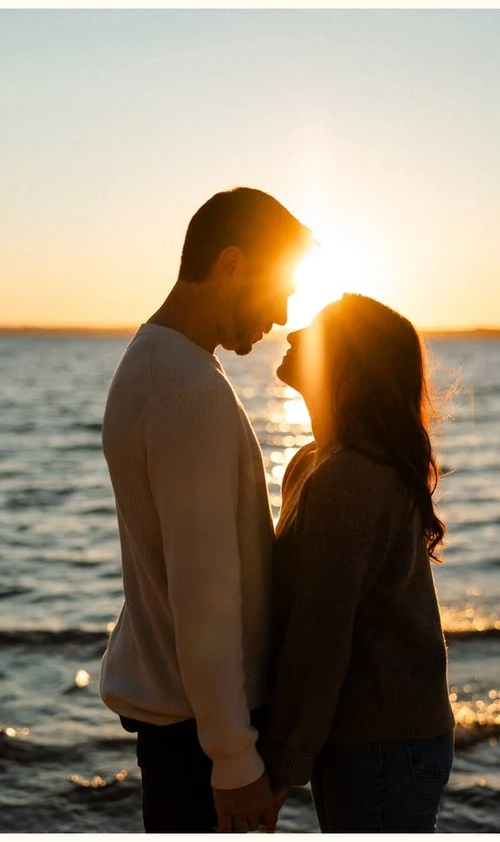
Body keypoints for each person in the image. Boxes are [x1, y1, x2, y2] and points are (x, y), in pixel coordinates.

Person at [99, 187, 311, 832]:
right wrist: (233, 758)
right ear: (230, 265)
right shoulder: (182, 389)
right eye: (278, 291)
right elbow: (203, 590)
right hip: (196, 744)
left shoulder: (168, 367)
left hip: (188, 731)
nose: (280, 314)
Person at [255, 294, 457, 831]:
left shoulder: (353, 477)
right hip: (365, 739)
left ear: (344, 362)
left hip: (385, 743)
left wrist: (280, 768)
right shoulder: (312, 462)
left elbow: (320, 632)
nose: (295, 334)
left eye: (317, 331)